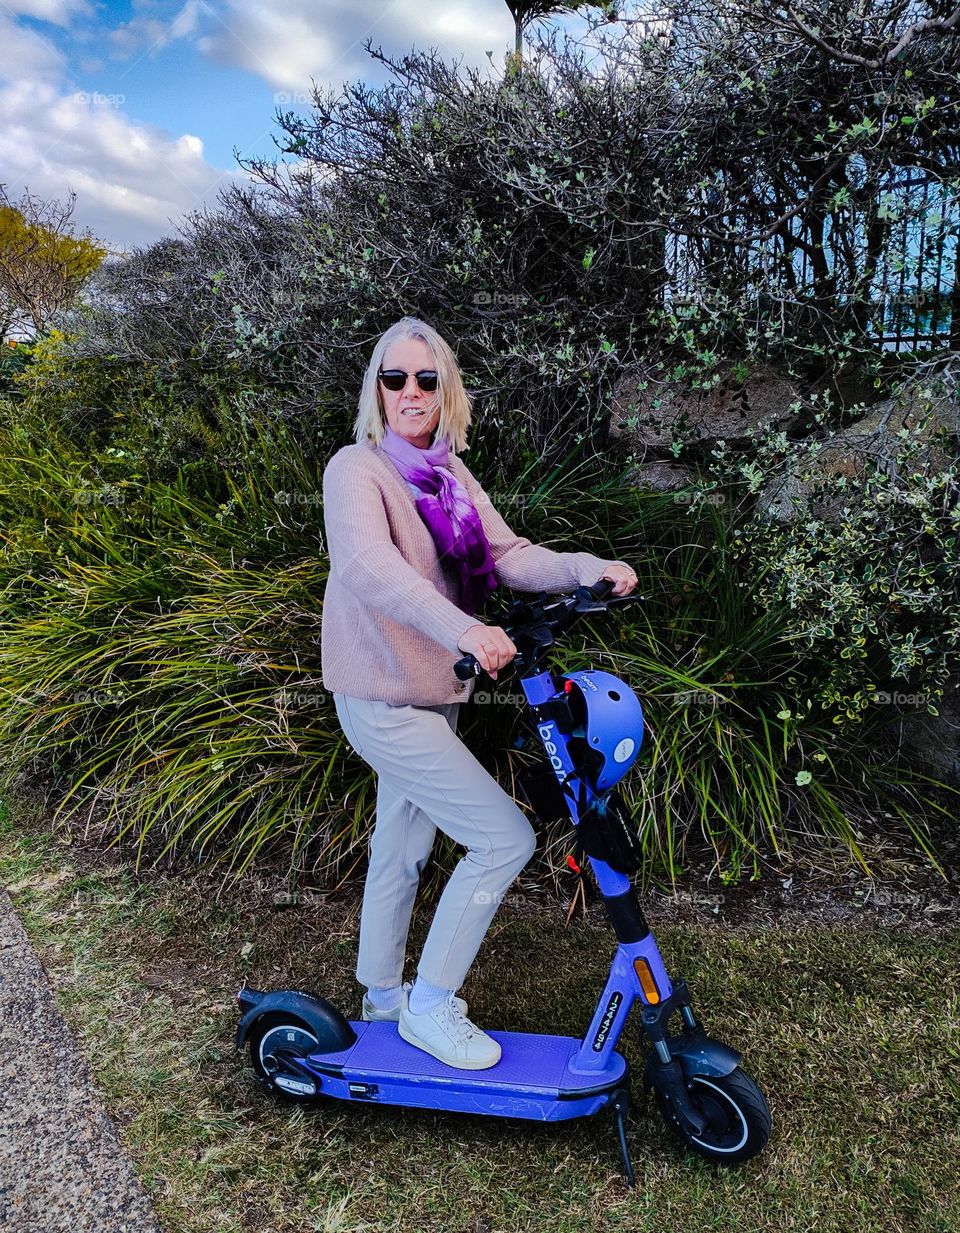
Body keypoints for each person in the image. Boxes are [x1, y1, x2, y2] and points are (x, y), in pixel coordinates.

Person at [320, 315, 637, 1070]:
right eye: (394, 378)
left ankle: (382, 995)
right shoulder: (356, 471)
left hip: (431, 694)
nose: (410, 392)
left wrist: (585, 564)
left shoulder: (450, 475)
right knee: (504, 838)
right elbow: (368, 566)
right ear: (377, 389)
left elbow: (509, 554)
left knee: (402, 846)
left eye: (426, 379)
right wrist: (463, 627)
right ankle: (431, 1004)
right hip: (380, 697)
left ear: (445, 389)